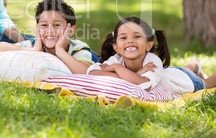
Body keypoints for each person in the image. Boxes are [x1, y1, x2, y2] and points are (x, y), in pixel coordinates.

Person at [87, 16, 216, 93]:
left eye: (137, 36)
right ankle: (193, 65)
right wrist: (136, 75)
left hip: (182, 81)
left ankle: (194, 67)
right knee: (181, 70)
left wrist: (117, 69)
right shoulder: (116, 59)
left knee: (207, 84)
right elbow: (93, 73)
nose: (130, 41)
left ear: (149, 44)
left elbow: (144, 85)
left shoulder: (152, 62)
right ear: (116, 47)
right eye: (123, 38)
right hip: (168, 73)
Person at [0, 0, 100, 74]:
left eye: (57, 25)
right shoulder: (33, 44)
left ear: (70, 30)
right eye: (44, 25)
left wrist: (60, 50)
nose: (50, 31)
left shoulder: (77, 47)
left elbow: (85, 73)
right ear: (37, 28)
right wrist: (35, 49)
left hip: (91, 59)